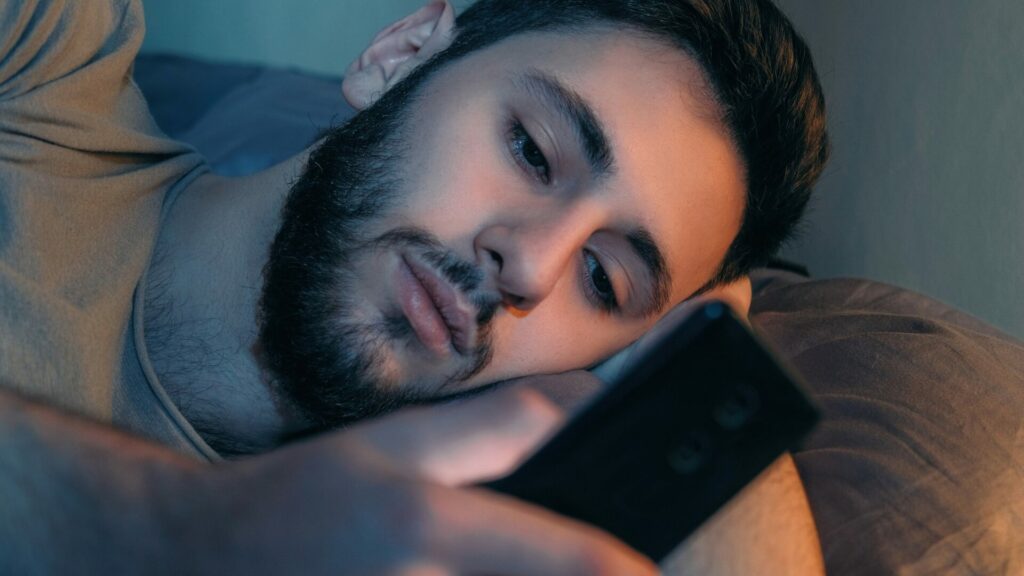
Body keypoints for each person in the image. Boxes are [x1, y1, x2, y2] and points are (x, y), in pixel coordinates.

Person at [0, 0, 829, 573]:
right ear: (400, 57)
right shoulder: (41, 67)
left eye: (602, 280)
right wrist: (174, 528)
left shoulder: (383, 546)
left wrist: (693, 381)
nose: (530, 267)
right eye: (533, 152)